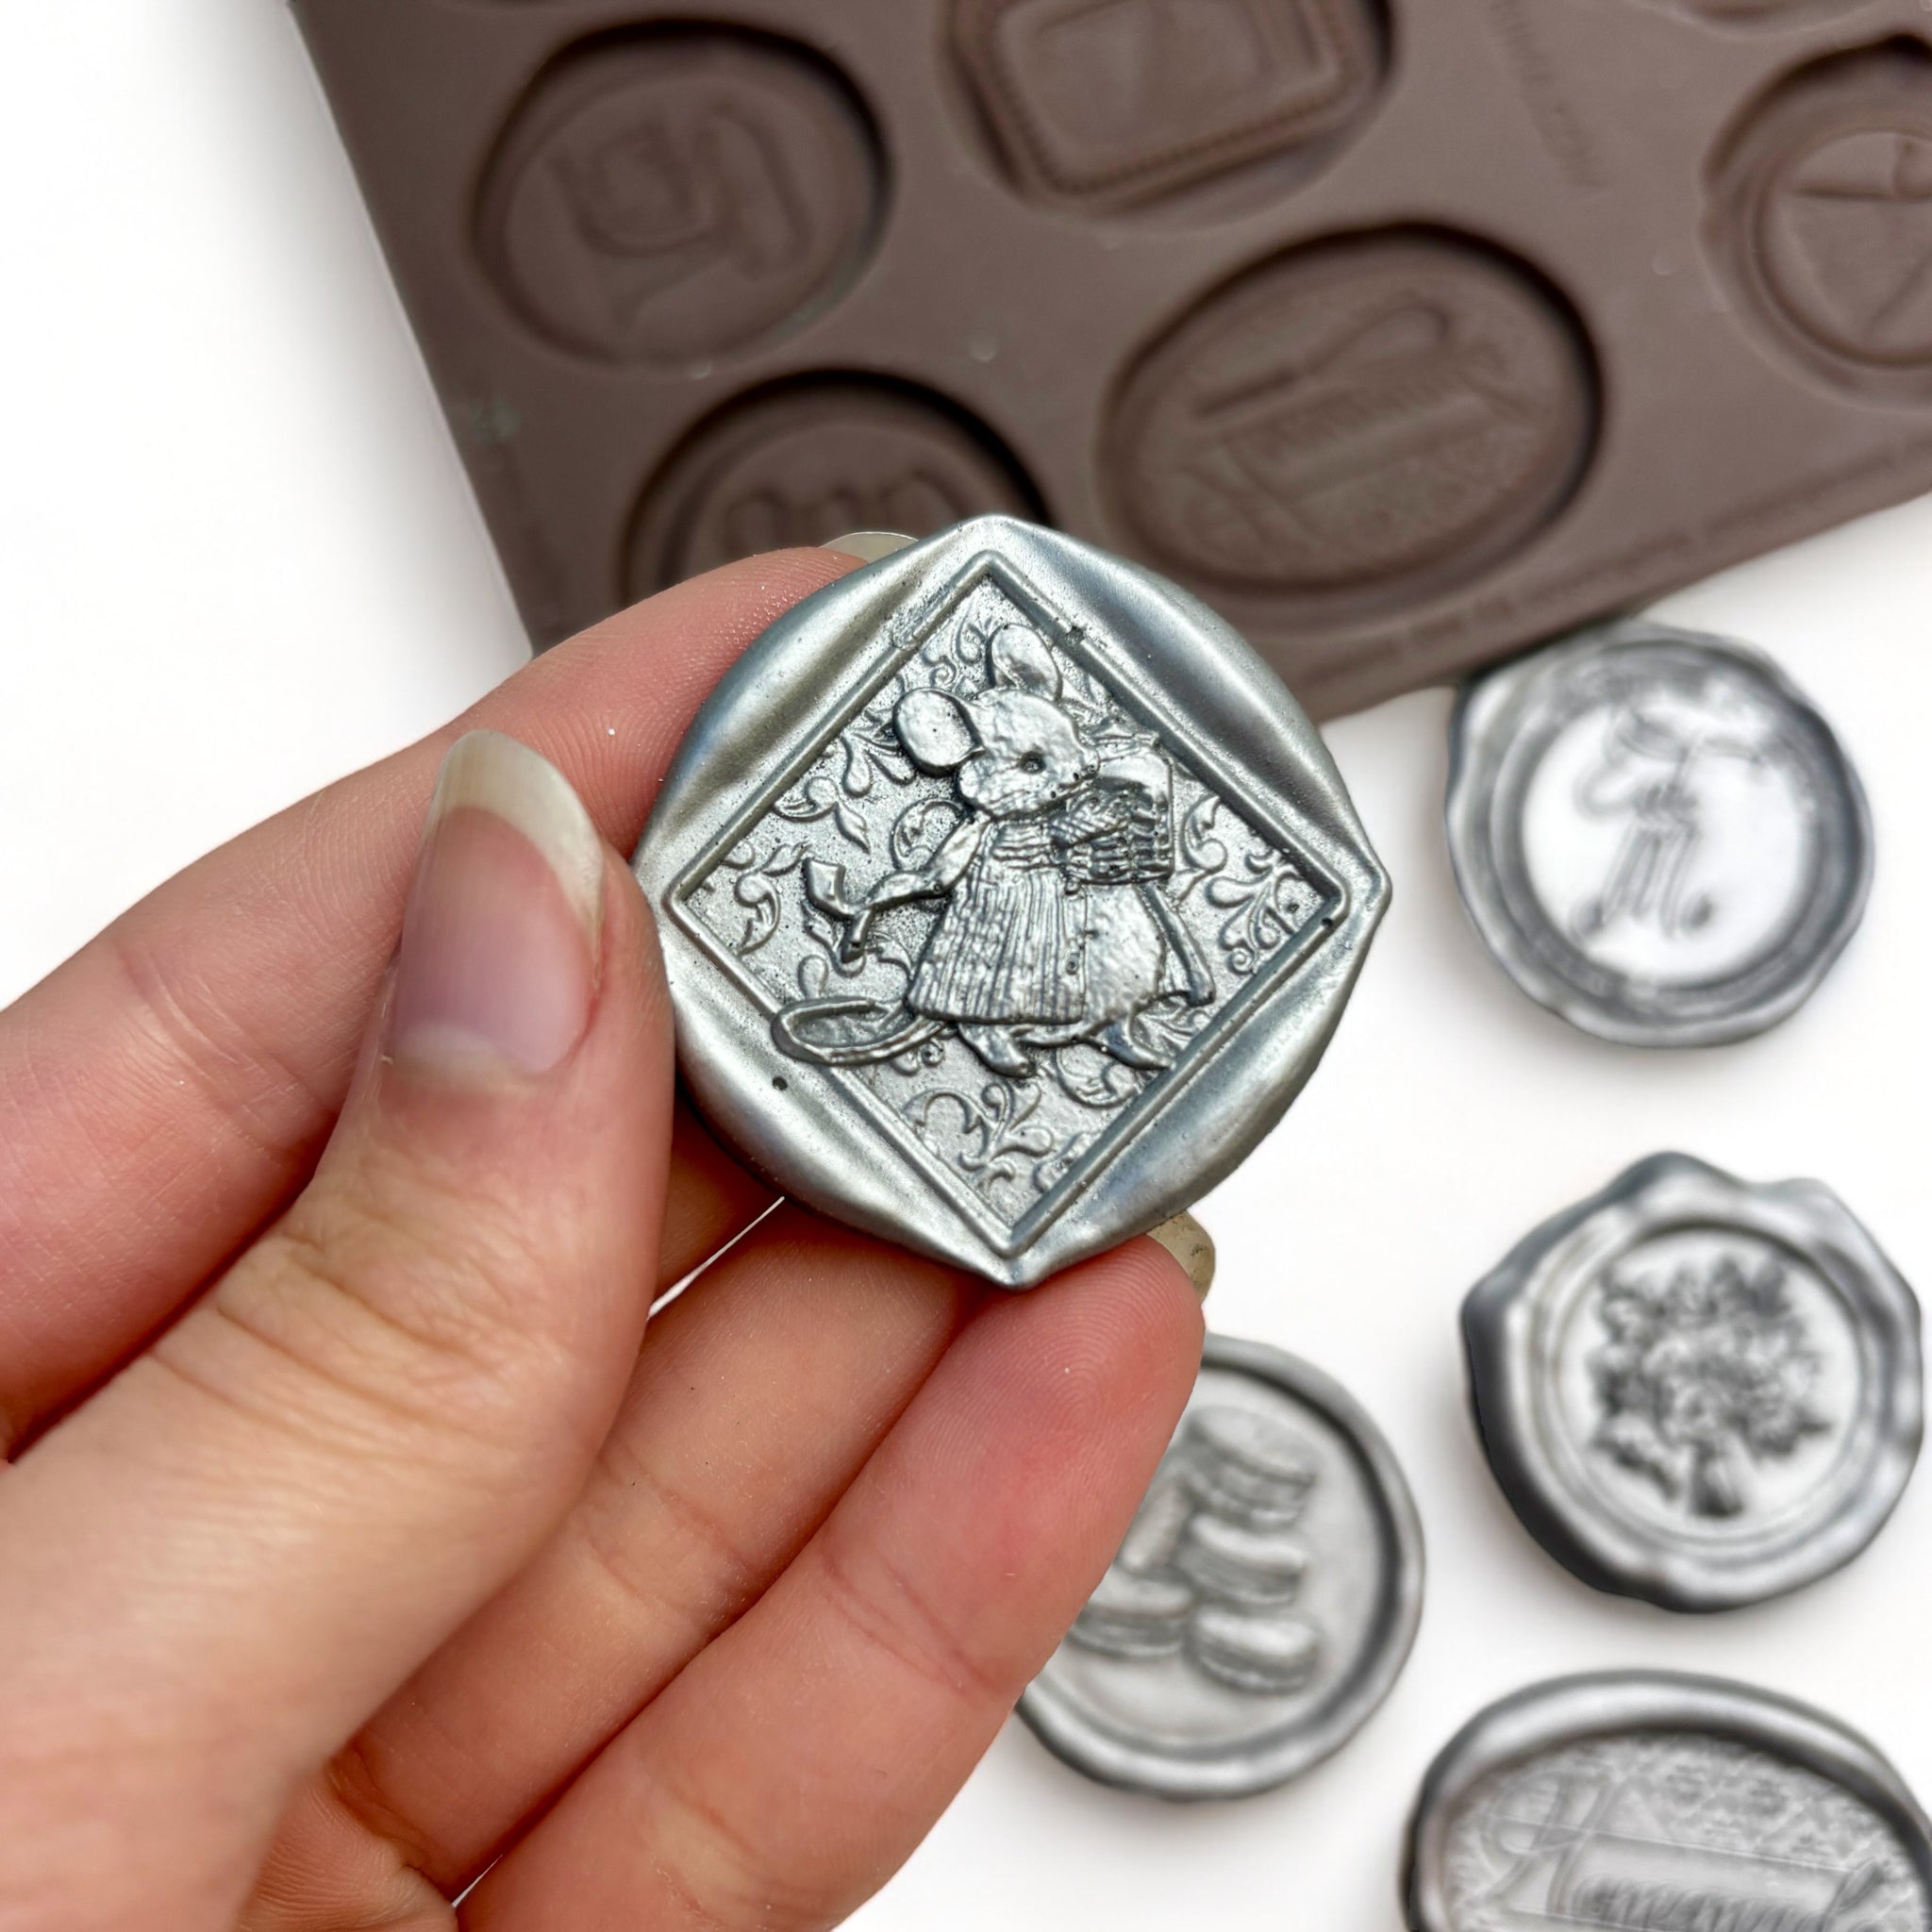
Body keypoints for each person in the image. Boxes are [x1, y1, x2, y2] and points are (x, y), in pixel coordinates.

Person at [0, 543, 1202, 1929]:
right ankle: (952, 1017)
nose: (994, 751)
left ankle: (1037, 1017)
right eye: (983, 743)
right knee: (985, 963)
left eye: (1002, 737)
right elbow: (945, 839)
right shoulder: (989, 792)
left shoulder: (1062, 777)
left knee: (1078, 961)